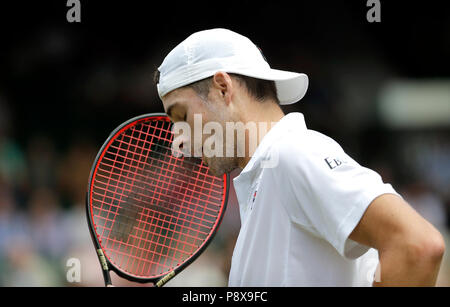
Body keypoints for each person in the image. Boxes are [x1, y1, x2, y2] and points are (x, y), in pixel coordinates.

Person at [154, 28, 445, 286]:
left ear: (222, 88)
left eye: (181, 115)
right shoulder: (268, 176)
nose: (179, 138)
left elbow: (418, 246)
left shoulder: (292, 154)